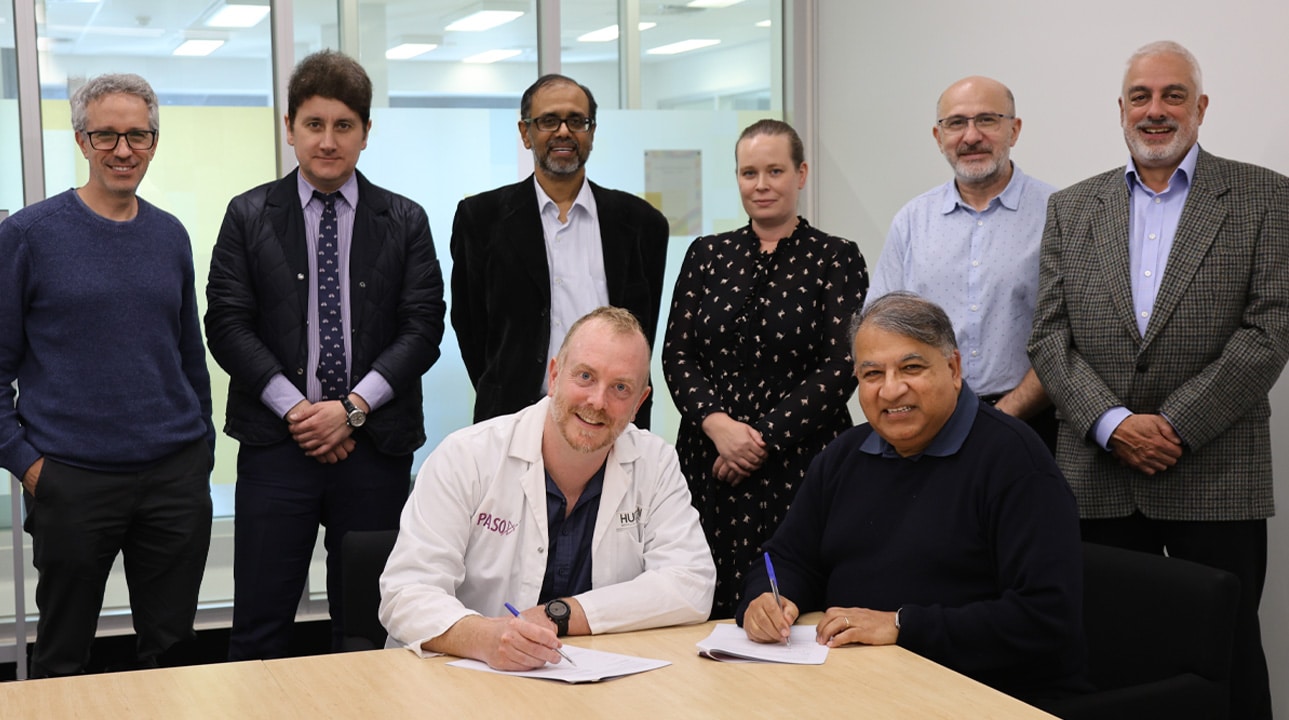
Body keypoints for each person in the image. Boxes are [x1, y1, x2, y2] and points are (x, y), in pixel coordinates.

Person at [1028, 41, 1289, 720]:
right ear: (1120, 110)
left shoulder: (1265, 196)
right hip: (1096, 475)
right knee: (1107, 654)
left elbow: (1270, 330)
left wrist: (1172, 426)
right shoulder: (1071, 207)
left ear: (1199, 108)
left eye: (1172, 95)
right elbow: (1049, 337)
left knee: (1228, 652)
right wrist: (1112, 425)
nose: (1154, 110)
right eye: (1140, 97)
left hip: (1214, 472)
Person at [205, 50, 445, 660]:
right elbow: (228, 326)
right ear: (290, 128)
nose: (328, 141)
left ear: (366, 132)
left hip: (376, 450)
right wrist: (300, 412)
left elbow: (423, 329)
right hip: (275, 448)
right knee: (260, 626)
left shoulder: (405, 221)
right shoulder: (248, 215)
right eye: (314, 124)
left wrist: (353, 408)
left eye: (344, 125)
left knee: (367, 627)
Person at [740, 292, 1086, 704]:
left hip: (986, 696)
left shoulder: (1015, 461)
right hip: (857, 685)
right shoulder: (844, 455)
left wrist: (903, 625)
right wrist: (765, 599)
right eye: (872, 375)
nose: (891, 390)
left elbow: (1045, 616)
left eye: (911, 368)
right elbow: (788, 558)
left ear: (954, 368)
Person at [0, 73, 214, 677]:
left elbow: (186, 351)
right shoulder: (27, 236)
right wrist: (28, 465)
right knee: (64, 654)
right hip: (72, 480)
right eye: (107, 136)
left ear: (153, 140)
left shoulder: (170, 234)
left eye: (137, 135)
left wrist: (200, 444)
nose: (123, 150)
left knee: (170, 651)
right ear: (81, 140)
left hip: (173, 476)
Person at [379, 307, 714, 670]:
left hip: (591, 683)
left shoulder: (656, 463)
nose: (597, 402)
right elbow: (406, 593)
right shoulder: (466, 456)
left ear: (639, 404)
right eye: (585, 376)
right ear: (554, 376)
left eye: (620, 388)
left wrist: (561, 614)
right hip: (457, 681)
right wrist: (486, 639)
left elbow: (692, 584)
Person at [662, 119, 868, 618]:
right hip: (708, 460)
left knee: (788, 603)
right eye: (748, 172)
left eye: (775, 170)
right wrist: (718, 427)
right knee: (701, 603)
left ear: (801, 174)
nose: (761, 184)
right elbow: (677, 354)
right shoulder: (706, 255)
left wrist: (759, 440)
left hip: (798, 462)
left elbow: (842, 365)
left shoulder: (836, 258)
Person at [450, 74, 669, 428]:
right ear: (526, 133)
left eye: (577, 121)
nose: (564, 131)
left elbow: (643, 331)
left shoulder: (643, 225)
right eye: (549, 121)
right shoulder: (481, 219)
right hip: (513, 418)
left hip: (613, 420)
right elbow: (470, 327)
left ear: (592, 133)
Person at [868, 76, 1056, 450]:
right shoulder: (911, 221)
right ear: (939, 137)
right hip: (928, 425)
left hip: (1032, 426)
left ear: (1014, 130)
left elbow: (1072, 336)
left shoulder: (1058, 213)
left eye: (987, 120)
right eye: (956, 123)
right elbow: (879, 328)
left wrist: (1004, 416)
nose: (971, 136)